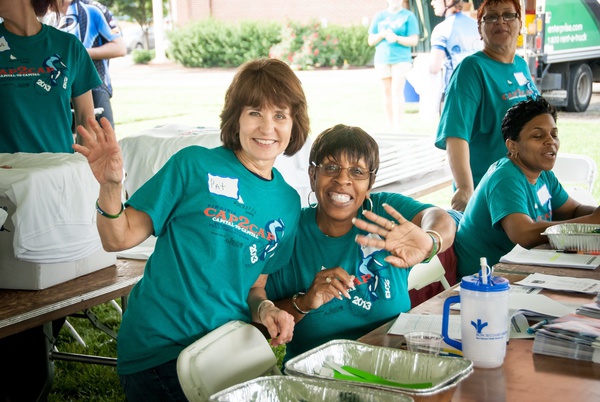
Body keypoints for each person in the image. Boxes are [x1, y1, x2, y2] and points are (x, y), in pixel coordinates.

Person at [73, 57, 310, 401]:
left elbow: (255, 287)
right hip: (161, 348)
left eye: (280, 115)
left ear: (294, 124)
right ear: (236, 118)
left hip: (224, 350)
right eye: (255, 112)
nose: (267, 128)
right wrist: (110, 186)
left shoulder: (287, 203)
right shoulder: (193, 165)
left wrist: (267, 309)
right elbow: (117, 237)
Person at [265, 124, 456, 362]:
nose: (342, 179)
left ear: (370, 183)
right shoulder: (290, 234)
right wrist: (304, 302)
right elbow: (259, 319)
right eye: (331, 167)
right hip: (324, 376)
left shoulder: (383, 212)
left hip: (394, 361)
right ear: (313, 175)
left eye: (357, 171)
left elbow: (440, 219)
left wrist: (430, 241)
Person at [0, 1, 101, 400]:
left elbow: (88, 124)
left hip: (59, 192)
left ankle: (35, 371)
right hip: (7, 195)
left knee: (51, 293)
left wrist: (97, 173)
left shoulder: (68, 47)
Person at [455, 96, 600, 278]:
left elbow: (572, 210)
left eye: (554, 134)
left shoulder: (543, 174)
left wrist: (595, 215)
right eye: (538, 136)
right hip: (484, 281)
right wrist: (591, 222)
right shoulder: (505, 178)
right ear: (512, 145)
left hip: (522, 268)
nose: (550, 141)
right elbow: (523, 233)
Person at [434, 0, 538, 212]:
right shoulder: (471, 70)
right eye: (490, 17)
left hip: (525, 186)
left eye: (508, 15)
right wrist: (465, 188)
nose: (500, 21)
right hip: (489, 191)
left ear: (519, 23)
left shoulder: (520, 65)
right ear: (480, 28)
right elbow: (456, 135)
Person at [0, 0, 101, 153]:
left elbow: (86, 120)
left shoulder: (69, 46)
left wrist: (83, 169)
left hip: (60, 170)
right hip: (10, 174)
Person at [47, 0, 127, 128]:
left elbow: (119, 47)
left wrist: (78, 53)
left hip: (94, 86)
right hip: (58, 90)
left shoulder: (93, 8)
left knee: (103, 142)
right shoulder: (45, 14)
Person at [368, 0, 420, 132]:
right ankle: (389, 123)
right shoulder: (379, 16)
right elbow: (370, 40)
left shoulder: (409, 16)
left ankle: (398, 125)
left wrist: (397, 38)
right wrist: (382, 34)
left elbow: (414, 40)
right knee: (386, 91)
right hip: (382, 58)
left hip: (401, 58)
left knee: (397, 90)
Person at [429, 0, 482, 109]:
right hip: (480, 87)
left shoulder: (441, 29)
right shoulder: (477, 24)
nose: (432, 3)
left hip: (455, 90)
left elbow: (434, 67)